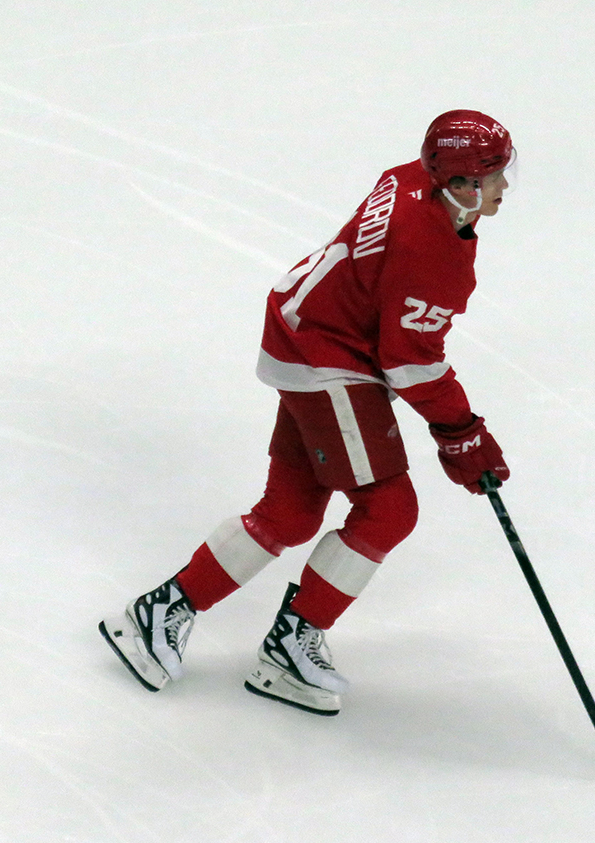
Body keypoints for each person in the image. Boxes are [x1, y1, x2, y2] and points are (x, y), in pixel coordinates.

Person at [99, 110, 515, 715]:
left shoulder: (408, 178)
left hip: (301, 334)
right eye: (494, 175)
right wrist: (461, 432)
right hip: (326, 360)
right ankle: (293, 643)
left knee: (290, 513)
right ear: (460, 185)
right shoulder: (433, 250)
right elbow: (409, 360)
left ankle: (159, 615)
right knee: (389, 508)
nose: (505, 186)